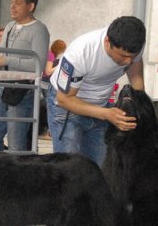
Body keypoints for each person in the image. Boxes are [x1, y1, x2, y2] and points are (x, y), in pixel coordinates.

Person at [47, 16, 146, 167]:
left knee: (101, 169)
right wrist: (106, 114)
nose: (127, 61)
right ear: (107, 42)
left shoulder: (134, 44)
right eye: (123, 56)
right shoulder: (80, 52)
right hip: (68, 106)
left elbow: (135, 65)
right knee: (70, 171)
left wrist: (140, 100)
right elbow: (64, 99)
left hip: (101, 105)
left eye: (131, 56)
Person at [0, 0, 49, 152]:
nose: (12, 7)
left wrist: (7, 60)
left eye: (18, 3)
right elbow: (1, 56)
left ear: (31, 6)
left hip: (22, 91)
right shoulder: (9, 26)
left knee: (16, 143)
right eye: (11, 2)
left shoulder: (39, 30)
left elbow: (38, 64)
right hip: (1, 88)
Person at [39, 39, 67, 139]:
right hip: (46, 84)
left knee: (49, 108)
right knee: (50, 108)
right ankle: (49, 131)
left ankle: (49, 131)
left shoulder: (51, 55)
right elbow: (48, 72)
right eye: (62, 49)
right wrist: (60, 65)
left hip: (46, 83)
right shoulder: (50, 55)